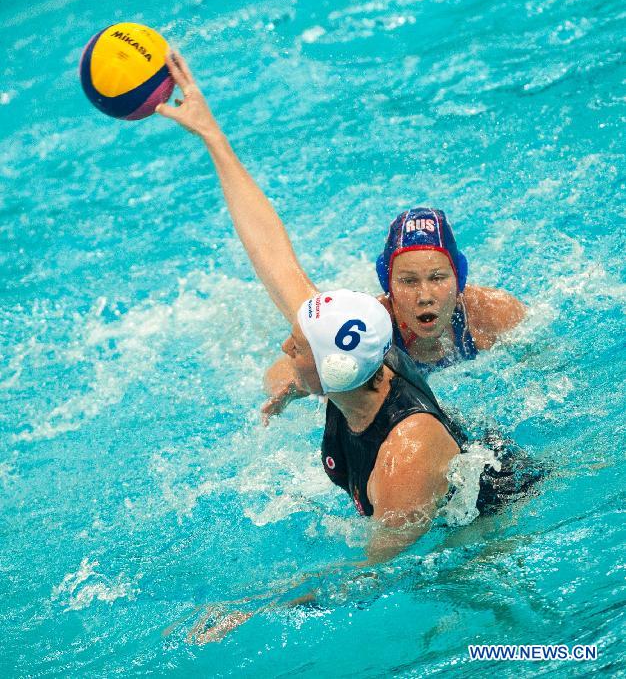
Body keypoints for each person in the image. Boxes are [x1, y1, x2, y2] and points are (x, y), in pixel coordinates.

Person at [156, 50, 543, 639]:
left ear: (333, 368)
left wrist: (256, 614)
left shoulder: (408, 458)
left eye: (296, 346)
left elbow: (375, 577)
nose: (286, 350)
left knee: (476, 613)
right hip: (427, 465)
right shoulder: (361, 357)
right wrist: (212, 135)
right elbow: (274, 256)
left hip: (495, 513)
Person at [262, 207, 527, 421]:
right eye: (408, 281)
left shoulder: (493, 312)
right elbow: (288, 363)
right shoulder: (372, 327)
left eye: (437, 278)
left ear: (459, 278)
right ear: (389, 285)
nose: (425, 295)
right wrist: (287, 386)